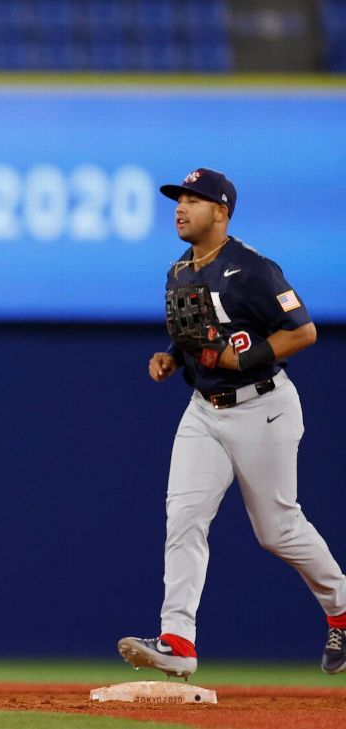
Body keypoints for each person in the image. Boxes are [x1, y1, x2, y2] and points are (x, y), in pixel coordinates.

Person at [118, 168, 346, 679]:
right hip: (204, 410)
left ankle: (343, 610)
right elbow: (196, 334)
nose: (180, 207)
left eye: (193, 201)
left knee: (278, 530)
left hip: (263, 406)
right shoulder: (179, 271)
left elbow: (303, 331)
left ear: (221, 212)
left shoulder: (253, 269)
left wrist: (245, 359)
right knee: (184, 520)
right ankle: (178, 641)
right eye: (178, 199)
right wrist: (173, 358)